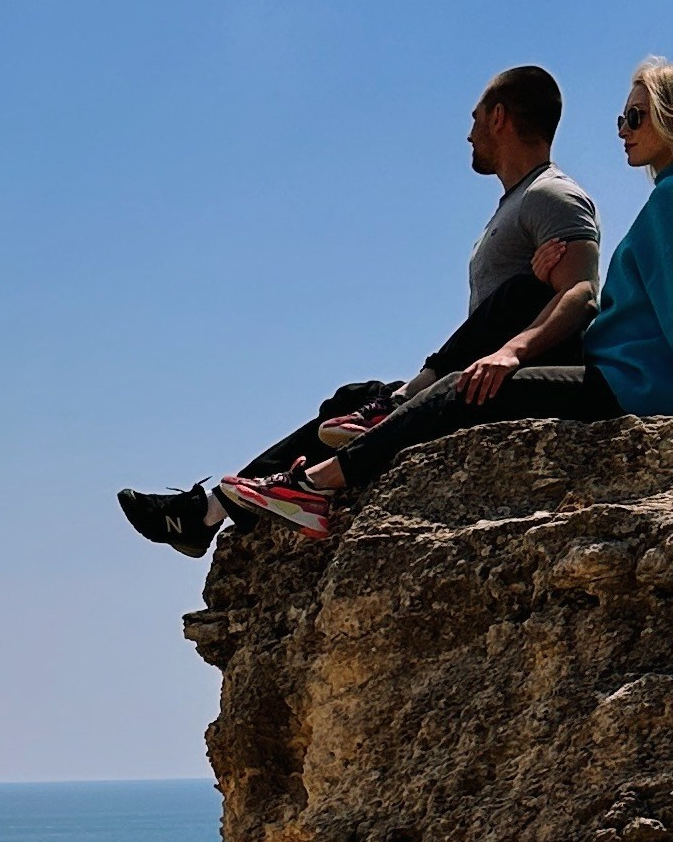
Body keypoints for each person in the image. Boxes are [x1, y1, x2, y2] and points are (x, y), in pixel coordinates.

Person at [216, 59, 673, 541]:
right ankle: (302, 472)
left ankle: (316, 483)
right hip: (624, 381)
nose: (622, 131)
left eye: (635, 118)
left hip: (626, 388)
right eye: (621, 119)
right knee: (460, 374)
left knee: (464, 388)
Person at [118, 66, 600, 559]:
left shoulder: (551, 195)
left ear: (499, 117)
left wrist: (514, 353)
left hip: (500, 382)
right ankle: (209, 511)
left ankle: (238, 503)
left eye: (475, 117)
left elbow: (581, 292)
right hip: (473, 372)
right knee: (352, 400)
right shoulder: (517, 203)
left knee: (381, 400)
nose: (468, 132)